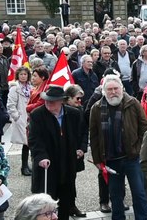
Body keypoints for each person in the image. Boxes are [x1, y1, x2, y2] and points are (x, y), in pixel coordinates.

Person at [89, 74, 147, 220]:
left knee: (139, 193)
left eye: (116, 88)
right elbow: (94, 136)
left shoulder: (133, 103)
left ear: (122, 89)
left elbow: (144, 128)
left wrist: (139, 149)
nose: (113, 92)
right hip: (111, 160)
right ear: (104, 91)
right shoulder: (96, 108)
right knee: (115, 196)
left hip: (132, 158)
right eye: (109, 89)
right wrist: (97, 159)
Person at [28, 85, 82, 219]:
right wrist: (41, 156)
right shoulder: (37, 114)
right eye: (47, 100)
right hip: (47, 165)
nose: (48, 103)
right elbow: (34, 139)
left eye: (52, 101)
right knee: (46, 202)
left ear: (61, 101)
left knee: (65, 201)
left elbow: (82, 133)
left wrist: (81, 148)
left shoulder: (73, 113)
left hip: (67, 163)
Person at [64, 84, 88, 217]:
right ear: (68, 99)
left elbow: (84, 131)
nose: (79, 102)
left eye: (81, 99)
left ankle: (71, 205)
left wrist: (82, 149)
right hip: (65, 153)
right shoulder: (63, 112)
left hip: (77, 153)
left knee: (72, 180)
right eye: (77, 99)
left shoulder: (80, 110)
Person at [7, 66, 32, 176]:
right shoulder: (14, 88)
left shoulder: (31, 87)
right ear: (17, 75)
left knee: (30, 142)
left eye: (25, 74)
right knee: (25, 143)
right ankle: (24, 166)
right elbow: (11, 104)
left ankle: (29, 165)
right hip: (21, 117)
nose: (23, 76)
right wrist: (16, 117)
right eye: (21, 74)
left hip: (31, 117)